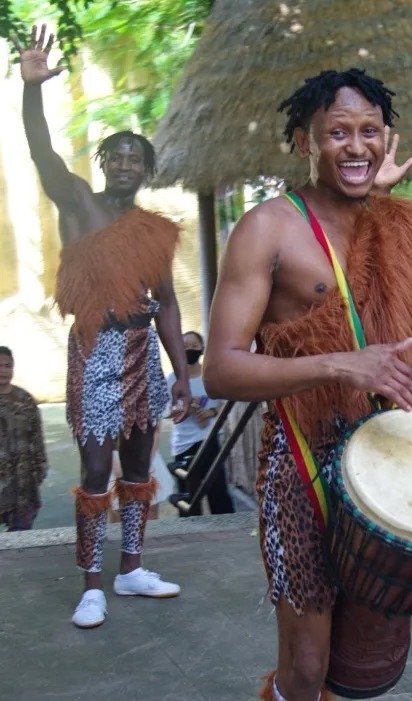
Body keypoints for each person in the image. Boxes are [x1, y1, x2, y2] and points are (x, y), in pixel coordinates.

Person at [203, 68, 412, 701]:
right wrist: (340, 364)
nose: (355, 147)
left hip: (400, 458)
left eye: (369, 131)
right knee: (309, 670)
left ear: (386, 140)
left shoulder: (408, 228)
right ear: (306, 142)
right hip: (303, 469)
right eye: (338, 133)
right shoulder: (268, 228)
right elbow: (220, 368)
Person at [15, 24, 188, 630]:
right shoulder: (77, 204)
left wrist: (184, 375)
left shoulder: (155, 231)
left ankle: (132, 568)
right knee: (95, 471)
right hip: (96, 349)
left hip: (144, 352)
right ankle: (93, 583)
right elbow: (40, 152)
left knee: (140, 468)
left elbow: (165, 303)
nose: (122, 162)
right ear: (102, 164)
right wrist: (32, 90)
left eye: (133, 156)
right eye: (113, 154)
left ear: (145, 169)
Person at [167, 330, 234, 516]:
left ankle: (226, 533)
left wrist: (211, 412)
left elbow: (227, 402)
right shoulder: (173, 379)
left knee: (218, 493)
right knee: (188, 499)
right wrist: (188, 409)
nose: (190, 350)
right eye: (185, 347)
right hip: (183, 444)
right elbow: (169, 413)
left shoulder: (210, 375)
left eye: (194, 346)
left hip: (208, 440)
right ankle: (191, 536)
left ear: (202, 349)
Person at [0, 347, 48, 531]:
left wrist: (40, 466)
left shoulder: (25, 399)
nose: (3, 370)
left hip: (22, 480)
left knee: (20, 532)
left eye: (7, 365)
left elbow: (37, 437)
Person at [107, 425, 171, 523]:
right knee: (117, 514)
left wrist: (147, 461)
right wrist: (113, 460)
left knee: (150, 512)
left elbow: (156, 428)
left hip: (146, 456)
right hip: (115, 456)